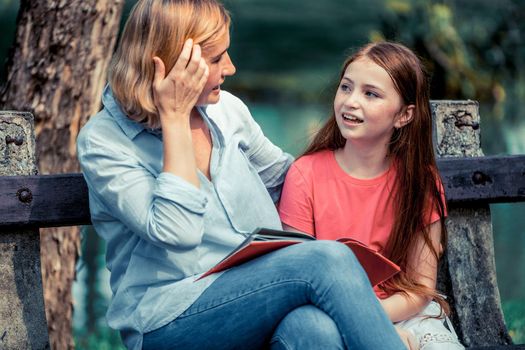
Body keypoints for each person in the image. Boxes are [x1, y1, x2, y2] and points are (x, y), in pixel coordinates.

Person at [77, 1, 408, 349]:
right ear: (177, 62)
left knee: (312, 328)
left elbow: (290, 181)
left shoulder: (225, 110)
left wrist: (370, 176)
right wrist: (174, 117)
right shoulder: (104, 142)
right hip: (168, 321)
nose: (231, 68)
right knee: (327, 260)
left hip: (257, 297)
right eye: (217, 58)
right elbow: (178, 231)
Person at [278, 41, 465, 349]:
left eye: (370, 94)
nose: (351, 102)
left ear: (404, 115)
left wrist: (370, 319)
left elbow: (419, 289)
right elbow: (299, 281)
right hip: (324, 315)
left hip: (406, 312)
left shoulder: (420, 181)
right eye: (346, 88)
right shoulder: (305, 174)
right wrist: (366, 325)